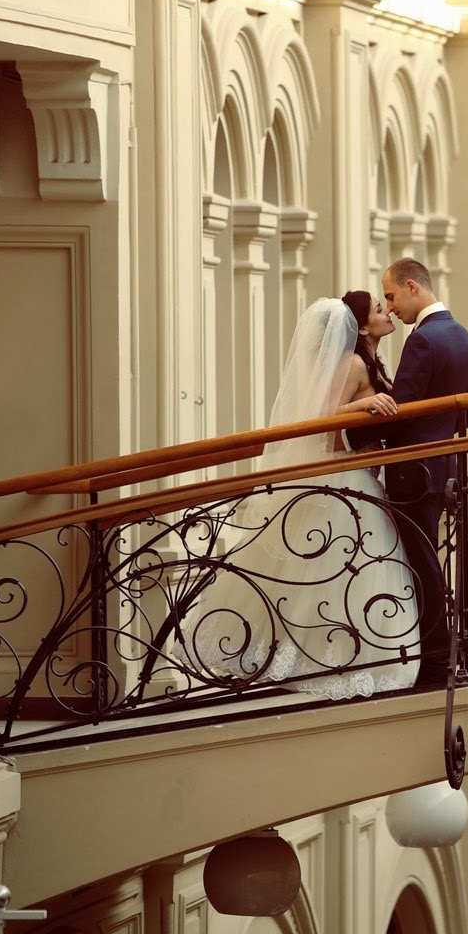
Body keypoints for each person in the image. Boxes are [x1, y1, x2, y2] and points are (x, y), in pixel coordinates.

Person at [173, 294, 420, 698]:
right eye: (379, 308)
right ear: (359, 327)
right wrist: (365, 406)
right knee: (339, 570)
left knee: (348, 573)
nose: (387, 312)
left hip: (361, 476)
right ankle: (322, 658)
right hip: (346, 479)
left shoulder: (368, 360)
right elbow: (321, 420)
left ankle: (348, 655)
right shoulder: (354, 363)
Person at [350, 257, 468, 687]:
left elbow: (400, 412)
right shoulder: (462, 334)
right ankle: (447, 655)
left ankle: (437, 661)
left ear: (411, 287)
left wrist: (366, 431)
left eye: (390, 296)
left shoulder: (423, 340)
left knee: (422, 566)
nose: (391, 309)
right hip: (443, 467)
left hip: (413, 472)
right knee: (429, 561)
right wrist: (439, 432)